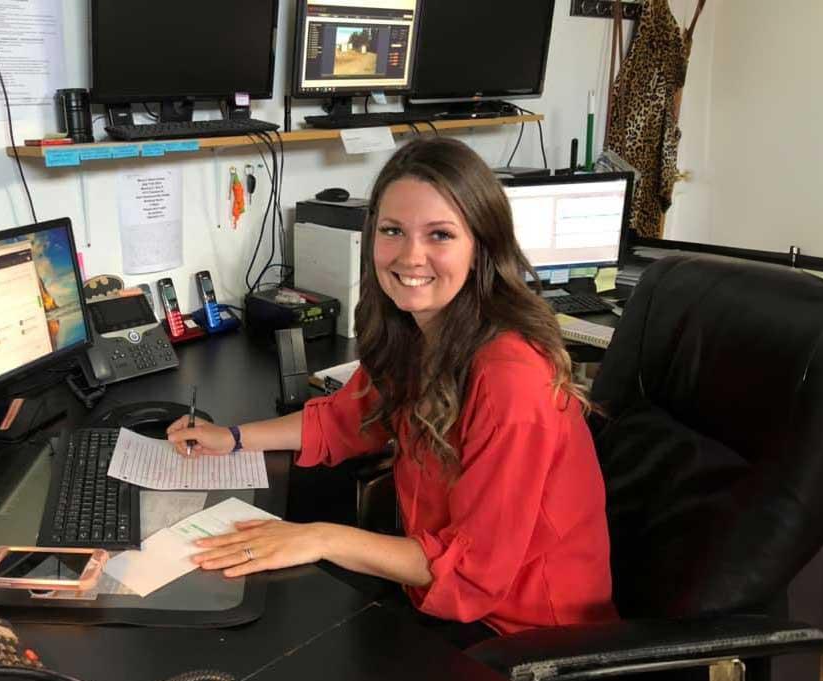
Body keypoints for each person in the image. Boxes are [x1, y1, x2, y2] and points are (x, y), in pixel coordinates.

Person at [166, 137, 616, 637]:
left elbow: (474, 572)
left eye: (440, 235)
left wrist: (320, 538)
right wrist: (230, 438)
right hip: (438, 594)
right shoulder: (420, 331)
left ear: (482, 245)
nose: (410, 256)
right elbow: (347, 418)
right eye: (393, 231)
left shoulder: (511, 376)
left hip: (521, 636)